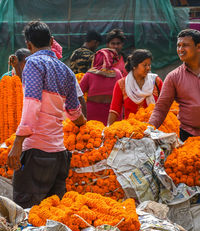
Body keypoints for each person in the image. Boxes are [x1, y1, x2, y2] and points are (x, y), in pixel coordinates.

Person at [7, 21, 86, 209]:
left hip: (36, 153)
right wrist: (85, 124)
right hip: (59, 155)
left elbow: (32, 105)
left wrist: (18, 143)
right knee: (53, 213)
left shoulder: (33, 63)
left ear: (28, 45)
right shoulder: (66, 70)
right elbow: (75, 112)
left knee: (26, 214)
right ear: (51, 41)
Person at [149, 29, 200, 142]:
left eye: (185, 45)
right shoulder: (173, 77)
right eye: (178, 46)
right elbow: (161, 108)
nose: (180, 49)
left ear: (198, 47)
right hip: (188, 135)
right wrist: (149, 128)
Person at [107, 49, 163, 125]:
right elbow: (114, 110)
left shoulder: (156, 81)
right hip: (131, 130)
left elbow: (165, 103)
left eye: (149, 65)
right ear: (134, 66)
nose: (148, 68)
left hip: (154, 128)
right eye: (145, 65)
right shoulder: (122, 84)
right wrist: (108, 128)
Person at [79, 48, 123, 125]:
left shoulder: (89, 74)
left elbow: (78, 93)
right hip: (113, 113)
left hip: (93, 112)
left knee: (94, 135)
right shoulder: (118, 73)